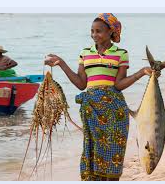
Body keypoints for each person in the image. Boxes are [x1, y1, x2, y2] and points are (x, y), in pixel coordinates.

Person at [44, 13, 158, 181]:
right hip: (91, 109)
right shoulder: (85, 53)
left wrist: (142, 72)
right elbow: (81, 84)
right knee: (92, 150)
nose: (94, 35)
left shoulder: (121, 53)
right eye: (92, 31)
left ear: (111, 32)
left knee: (114, 151)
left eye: (99, 31)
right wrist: (61, 63)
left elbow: (119, 84)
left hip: (115, 110)